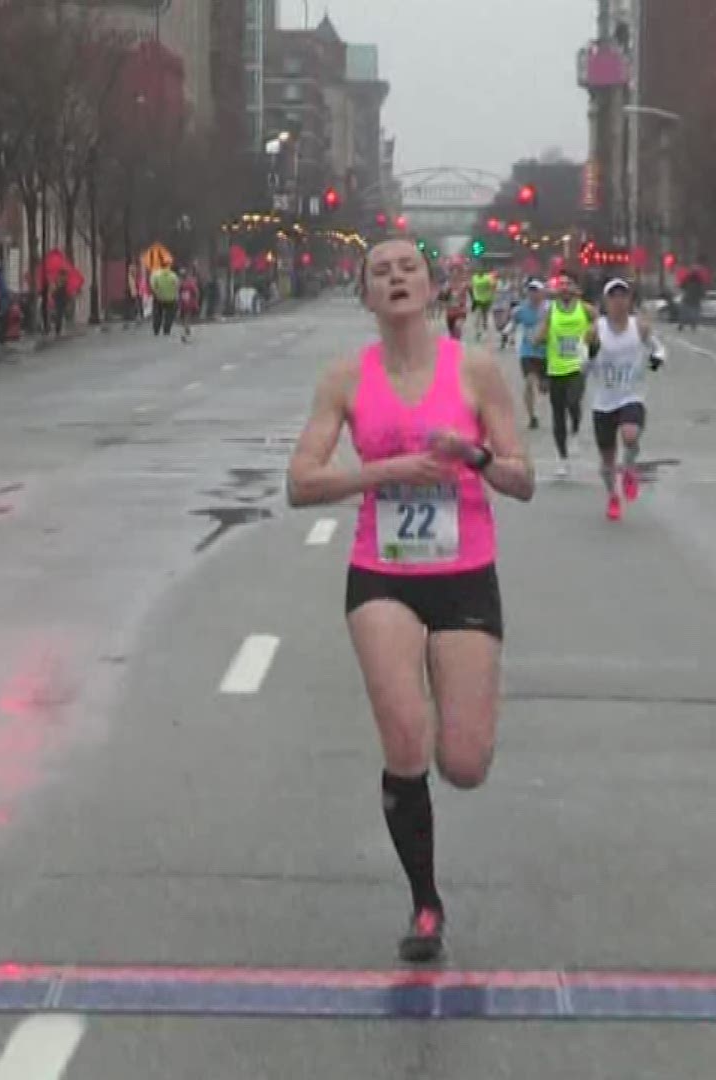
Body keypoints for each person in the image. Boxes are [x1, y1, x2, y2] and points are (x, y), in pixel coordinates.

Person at [285, 238, 534, 963]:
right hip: (382, 574)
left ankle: (471, 698)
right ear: (364, 295)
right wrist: (388, 470)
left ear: (434, 286)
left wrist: (475, 456)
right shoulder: (344, 379)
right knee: (403, 741)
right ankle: (425, 904)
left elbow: (523, 478)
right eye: (380, 273)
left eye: (408, 269)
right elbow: (301, 482)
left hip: (464, 573)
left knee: (463, 763)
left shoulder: (477, 370)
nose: (395, 279)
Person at [587, 279, 665, 520]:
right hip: (603, 401)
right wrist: (590, 354)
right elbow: (581, 365)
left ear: (629, 301)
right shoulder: (595, 330)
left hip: (631, 395)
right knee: (607, 460)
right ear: (605, 302)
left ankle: (630, 467)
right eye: (613, 297)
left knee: (630, 435)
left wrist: (656, 359)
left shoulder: (639, 328)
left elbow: (658, 349)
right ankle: (613, 496)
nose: (618, 302)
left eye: (623, 296)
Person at [537, 275, 596, 479]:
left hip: (578, 365)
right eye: (560, 285)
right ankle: (562, 459)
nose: (564, 289)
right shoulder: (550, 311)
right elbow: (541, 334)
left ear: (575, 289)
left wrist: (592, 335)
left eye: (568, 284)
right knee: (558, 415)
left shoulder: (586, 309)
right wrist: (538, 338)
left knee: (574, 401)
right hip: (555, 368)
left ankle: (576, 431)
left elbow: (599, 326)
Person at [508, 279, 549, 429]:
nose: (533, 294)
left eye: (536, 291)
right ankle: (532, 417)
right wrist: (508, 333)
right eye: (530, 291)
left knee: (544, 387)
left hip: (546, 353)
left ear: (542, 293)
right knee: (529, 383)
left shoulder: (549, 309)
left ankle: (545, 384)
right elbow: (512, 323)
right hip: (528, 352)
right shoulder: (521, 310)